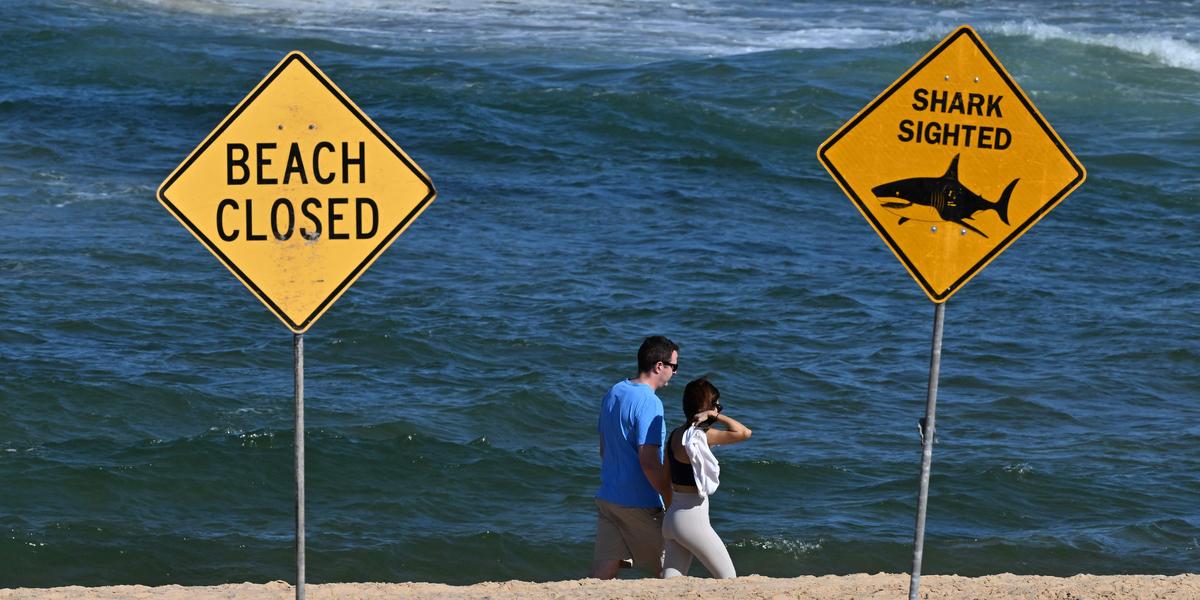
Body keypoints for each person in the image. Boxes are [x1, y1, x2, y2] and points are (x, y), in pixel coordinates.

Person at [590, 335, 679, 579]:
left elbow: (603, 449)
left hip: (609, 496)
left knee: (604, 570)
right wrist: (669, 497)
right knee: (670, 568)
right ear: (659, 366)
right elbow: (648, 461)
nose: (675, 373)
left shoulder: (614, 392)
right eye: (674, 366)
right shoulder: (650, 402)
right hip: (639, 503)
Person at [661, 376, 751, 579]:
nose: (719, 409)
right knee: (729, 578)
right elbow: (745, 433)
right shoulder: (702, 436)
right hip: (692, 520)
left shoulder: (675, 435)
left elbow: (664, 477)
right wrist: (714, 416)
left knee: (670, 584)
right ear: (706, 408)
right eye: (717, 405)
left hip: (672, 517)